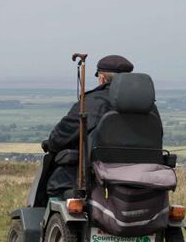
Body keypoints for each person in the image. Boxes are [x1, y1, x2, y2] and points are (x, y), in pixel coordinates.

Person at [42, 55, 156, 197]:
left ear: (101, 78)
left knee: (54, 187)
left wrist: (50, 144)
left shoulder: (91, 103)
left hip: (96, 180)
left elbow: (59, 138)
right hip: (144, 179)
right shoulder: (150, 108)